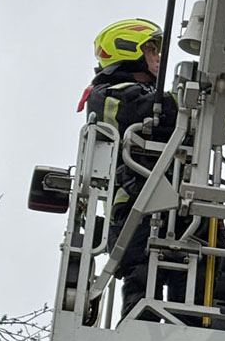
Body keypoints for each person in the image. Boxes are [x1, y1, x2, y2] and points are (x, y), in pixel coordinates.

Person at [77, 18, 192, 320]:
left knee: (189, 282)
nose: (159, 57)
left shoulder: (142, 93)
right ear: (128, 51)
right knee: (142, 280)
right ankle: (137, 328)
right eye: (152, 49)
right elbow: (154, 111)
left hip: (171, 203)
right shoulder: (109, 94)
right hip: (135, 205)